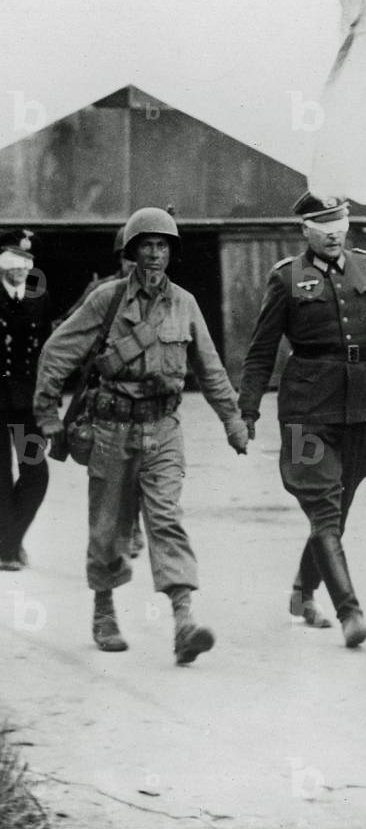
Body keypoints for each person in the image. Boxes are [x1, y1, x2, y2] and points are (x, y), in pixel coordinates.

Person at [34, 208, 249, 663]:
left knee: (166, 517)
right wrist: (48, 416)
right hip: (112, 428)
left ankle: (184, 619)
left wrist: (232, 421)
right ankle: (105, 608)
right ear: (131, 253)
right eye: (146, 246)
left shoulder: (186, 304)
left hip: (164, 429)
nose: (154, 254)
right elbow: (57, 353)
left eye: (163, 246)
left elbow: (210, 368)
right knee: (109, 527)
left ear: (172, 253)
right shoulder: (106, 300)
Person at [239, 192, 366, 649]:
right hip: (307, 411)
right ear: (304, 231)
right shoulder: (287, 278)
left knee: (337, 507)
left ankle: (301, 593)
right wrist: (247, 409)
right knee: (326, 508)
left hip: (361, 405)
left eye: (339, 220)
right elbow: (261, 351)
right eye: (321, 223)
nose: (332, 230)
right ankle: (350, 612)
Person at [58, 225, 146, 560]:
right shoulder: (101, 290)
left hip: (141, 395)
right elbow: (70, 326)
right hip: (101, 396)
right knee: (105, 470)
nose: (131, 265)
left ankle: (133, 525)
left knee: (138, 468)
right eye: (126, 258)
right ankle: (108, 539)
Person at [0, 229, 50, 571]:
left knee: (36, 473)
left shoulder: (38, 297)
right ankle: (7, 551)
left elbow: (48, 353)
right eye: (14, 260)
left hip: (27, 405)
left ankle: (9, 540)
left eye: (27, 261)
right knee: (1, 476)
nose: (21, 268)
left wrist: (48, 401)